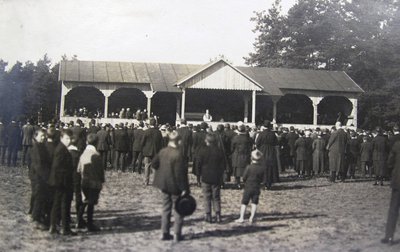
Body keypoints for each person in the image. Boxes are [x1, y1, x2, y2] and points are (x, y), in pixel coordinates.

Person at [152, 131, 190, 242]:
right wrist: (184, 188)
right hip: (176, 186)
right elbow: (180, 174)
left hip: (164, 185)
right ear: (178, 141)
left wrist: (161, 174)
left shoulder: (162, 151)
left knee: (165, 209)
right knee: (178, 209)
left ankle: (164, 232)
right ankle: (177, 234)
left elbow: (154, 164)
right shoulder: (178, 155)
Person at [48, 129, 76, 235]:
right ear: (61, 138)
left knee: (57, 204)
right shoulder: (61, 149)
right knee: (64, 205)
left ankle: (53, 226)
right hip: (61, 182)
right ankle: (64, 228)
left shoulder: (61, 148)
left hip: (59, 181)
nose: (69, 140)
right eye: (66, 138)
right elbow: (57, 167)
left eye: (70, 138)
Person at [77, 133, 105, 232]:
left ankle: (79, 220)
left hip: (84, 181)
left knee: (84, 202)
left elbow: (79, 169)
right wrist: (102, 180)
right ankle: (89, 224)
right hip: (93, 182)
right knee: (91, 204)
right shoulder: (96, 155)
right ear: (96, 142)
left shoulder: (83, 154)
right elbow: (100, 171)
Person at [197, 134, 225, 223]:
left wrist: (199, 174)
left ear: (207, 141)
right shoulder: (219, 151)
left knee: (207, 196)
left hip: (205, 176)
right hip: (216, 176)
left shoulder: (202, 151)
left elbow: (198, 164)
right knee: (216, 197)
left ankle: (208, 215)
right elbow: (222, 165)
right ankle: (218, 215)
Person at [29, 129, 51, 230]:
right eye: (41, 136)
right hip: (38, 177)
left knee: (41, 197)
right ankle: (36, 219)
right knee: (39, 197)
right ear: (36, 136)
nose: (43, 138)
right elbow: (38, 165)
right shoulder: (36, 148)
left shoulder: (41, 146)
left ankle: (38, 216)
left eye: (44, 136)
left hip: (41, 176)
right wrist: (46, 177)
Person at [235, 150, 265, 223]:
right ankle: (252, 217)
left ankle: (241, 217)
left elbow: (244, 177)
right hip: (256, 187)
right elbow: (262, 178)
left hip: (248, 186)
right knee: (254, 202)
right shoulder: (262, 168)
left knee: (244, 202)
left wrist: (245, 181)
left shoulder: (248, 167)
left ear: (251, 158)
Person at [382, 132, 400, 245]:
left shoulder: (397, 145)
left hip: (398, 180)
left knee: (393, 209)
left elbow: (389, 163)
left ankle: (389, 236)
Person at [256, 120, 278, 190]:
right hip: (271, 150)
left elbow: (257, 143)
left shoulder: (261, 133)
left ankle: (263, 182)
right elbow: (276, 142)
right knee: (270, 166)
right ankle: (269, 183)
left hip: (263, 150)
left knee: (263, 166)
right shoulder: (273, 134)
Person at [141, 118, 163, 185]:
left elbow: (142, 142)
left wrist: (144, 148)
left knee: (147, 167)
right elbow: (161, 143)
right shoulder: (158, 132)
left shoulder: (146, 131)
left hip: (147, 152)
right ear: (155, 123)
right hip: (156, 151)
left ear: (150, 123)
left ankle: (146, 181)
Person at [231, 124, 252, 189]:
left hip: (237, 154)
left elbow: (232, 147)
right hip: (245, 155)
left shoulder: (235, 138)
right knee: (245, 169)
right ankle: (245, 182)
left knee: (237, 169)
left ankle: (238, 183)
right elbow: (250, 147)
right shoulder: (248, 138)